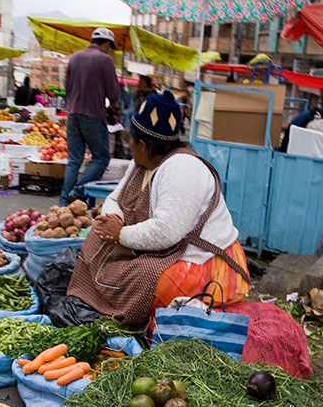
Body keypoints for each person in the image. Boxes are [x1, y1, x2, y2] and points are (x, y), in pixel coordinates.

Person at [67, 90, 251, 327]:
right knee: (95, 238)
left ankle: (121, 314)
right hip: (164, 248)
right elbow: (116, 197)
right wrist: (111, 218)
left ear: (142, 144)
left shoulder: (183, 168)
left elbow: (167, 231)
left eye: (130, 141)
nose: (129, 146)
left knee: (147, 275)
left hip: (202, 259)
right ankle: (91, 301)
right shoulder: (142, 163)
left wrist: (121, 234)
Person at [59, 27, 120, 206]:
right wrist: (114, 107)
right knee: (101, 158)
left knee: (74, 160)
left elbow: (67, 88)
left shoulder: (75, 57)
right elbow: (113, 92)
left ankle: (64, 203)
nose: (109, 50)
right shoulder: (105, 59)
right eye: (110, 46)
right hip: (93, 115)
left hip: (73, 114)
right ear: (107, 43)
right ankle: (78, 191)